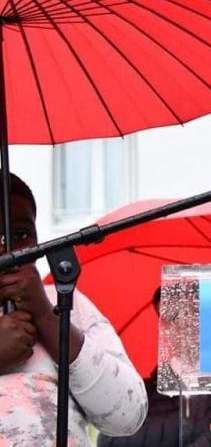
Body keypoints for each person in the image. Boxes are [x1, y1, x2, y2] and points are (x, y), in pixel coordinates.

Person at [0, 171, 148, 445]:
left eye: (21, 234)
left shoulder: (67, 303)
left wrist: (46, 316)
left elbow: (128, 415)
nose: (7, 250)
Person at [97, 288, 211, 446]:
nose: (183, 324)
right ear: (163, 325)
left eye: (193, 313)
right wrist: (203, 429)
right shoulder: (142, 392)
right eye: (173, 317)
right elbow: (110, 439)